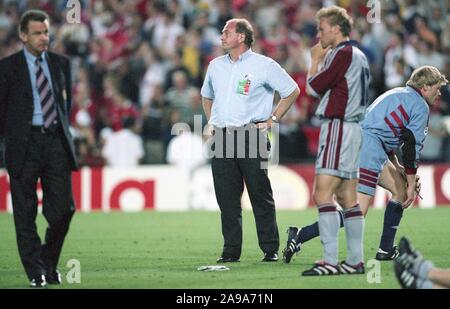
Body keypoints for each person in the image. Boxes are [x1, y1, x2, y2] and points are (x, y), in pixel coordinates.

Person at [283, 66, 448, 264]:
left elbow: (385, 131)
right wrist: (412, 183)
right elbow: (411, 146)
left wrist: (397, 167)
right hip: (368, 148)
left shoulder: (397, 93)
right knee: (359, 211)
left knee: (400, 190)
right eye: (437, 88)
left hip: (363, 142)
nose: (440, 93)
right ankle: (300, 235)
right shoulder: (420, 106)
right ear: (425, 87)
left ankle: (385, 250)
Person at [200, 18, 300, 263]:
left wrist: (272, 119)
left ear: (241, 37)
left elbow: (292, 90)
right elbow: (206, 95)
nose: (221, 36)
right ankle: (231, 251)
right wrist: (211, 121)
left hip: (251, 135)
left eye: (226, 32)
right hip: (222, 137)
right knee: (227, 198)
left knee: (260, 194)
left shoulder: (264, 65)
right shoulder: (215, 66)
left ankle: (270, 248)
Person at [0, 10, 78, 287]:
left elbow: (63, 105)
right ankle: (36, 273)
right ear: (23, 35)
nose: (44, 37)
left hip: (55, 140)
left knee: (65, 209)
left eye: (45, 32)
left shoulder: (60, 63)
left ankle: (47, 260)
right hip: (23, 145)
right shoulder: (6, 68)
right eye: (37, 33)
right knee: (25, 212)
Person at [298, 6, 370, 276]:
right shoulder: (359, 54)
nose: (319, 35)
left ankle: (329, 260)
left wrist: (314, 59)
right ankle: (355, 261)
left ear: (337, 28)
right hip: (352, 128)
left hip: (339, 127)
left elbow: (313, 87)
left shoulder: (343, 53)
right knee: (347, 196)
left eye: (322, 29)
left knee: (322, 194)